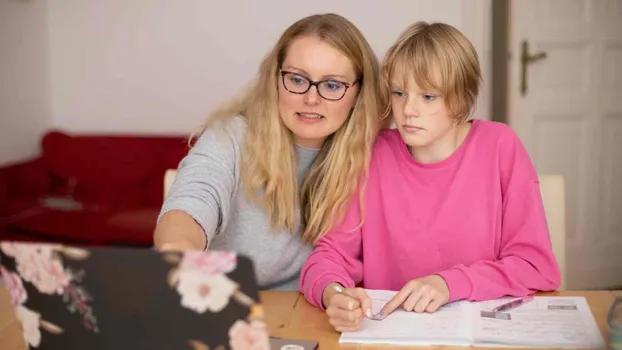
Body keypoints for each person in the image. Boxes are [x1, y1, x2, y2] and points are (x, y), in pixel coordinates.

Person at [299, 21, 561, 332]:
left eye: (428, 96)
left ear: (461, 99)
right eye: (399, 93)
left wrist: (449, 283)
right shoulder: (372, 154)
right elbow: (329, 256)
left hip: (478, 335)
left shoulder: (500, 146)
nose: (408, 109)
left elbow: (535, 267)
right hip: (390, 336)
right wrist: (335, 294)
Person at [153, 13, 386, 291]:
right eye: (298, 80)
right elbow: (193, 199)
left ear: (359, 93)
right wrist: (179, 250)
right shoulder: (230, 137)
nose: (311, 98)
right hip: (221, 304)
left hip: (308, 316)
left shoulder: (375, 155)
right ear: (275, 79)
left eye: (332, 85)